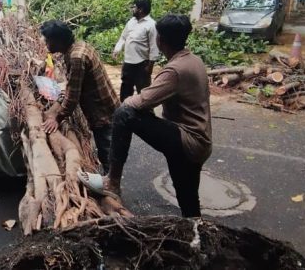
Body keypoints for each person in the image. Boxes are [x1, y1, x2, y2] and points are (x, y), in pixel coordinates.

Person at [82, 14, 212, 218]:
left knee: (124, 112)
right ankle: (197, 236)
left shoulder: (174, 71)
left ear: (160, 40)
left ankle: (112, 181)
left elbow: (140, 102)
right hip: (199, 142)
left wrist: (125, 105)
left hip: (186, 140)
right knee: (188, 200)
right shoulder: (194, 60)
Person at [40, 20, 119, 171]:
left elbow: (73, 95)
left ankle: (112, 188)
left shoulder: (77, 57)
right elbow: (72, 86)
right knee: (107, 150)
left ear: (58, 40)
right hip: (104, 107)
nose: (46, 44)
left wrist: (57, 117)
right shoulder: (79, 47)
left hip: (102, 113)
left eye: (48, 40)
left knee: (107, 153)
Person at [113, 0, 159, 101]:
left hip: (142, 64)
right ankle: (125, 111)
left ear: (140, 9)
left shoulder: (151, 25)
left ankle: (145, 114)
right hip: (128, 63)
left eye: (134, 7)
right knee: (125, 88)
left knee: (143, 92)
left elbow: (154, 46)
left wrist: (150, 66)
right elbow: (123, 37)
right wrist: (117, 49)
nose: (132, 9)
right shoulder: (131, 21)